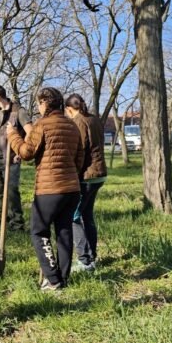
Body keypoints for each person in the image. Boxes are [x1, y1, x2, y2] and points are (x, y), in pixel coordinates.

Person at [7, 87, 83, 290]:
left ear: (44, 103)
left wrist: (13, 135)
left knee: (39, 231)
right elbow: (80, 158)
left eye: (39, 104)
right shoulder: (72, 126)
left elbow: (26, 152)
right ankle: (63, 279)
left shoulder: (43, 125)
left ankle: (53, 279)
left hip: (49, 190)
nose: (38, 108)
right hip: (72, 189)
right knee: (64, 232)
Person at [0, 85, 33, 231]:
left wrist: (21, 151)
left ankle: (17, 223)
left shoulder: (18, 112)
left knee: (11, 190)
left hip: (10, 158)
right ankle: (3, 218)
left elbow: (30, 132)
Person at [65, 94, 107, 272]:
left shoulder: (79, 121)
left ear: (69, 109)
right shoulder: (94, 119)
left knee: (74, 217)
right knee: (87, 215)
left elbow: (79, 149)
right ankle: (92, 257)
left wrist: (72, 172)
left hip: (87, 176)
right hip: (99, 174)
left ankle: (85, 260)